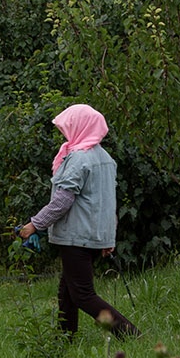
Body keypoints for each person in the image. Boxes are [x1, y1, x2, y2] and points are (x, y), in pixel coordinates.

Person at [17, 103, 138, 339]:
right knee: (67, 292)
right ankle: (65, 339)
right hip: (93, 236)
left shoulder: (79, 159)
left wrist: (35, 224)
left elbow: (62, 201)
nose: (64, 133)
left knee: (83, 295)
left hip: (76, 237)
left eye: (67, 127)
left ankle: (131, 334)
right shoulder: (106, 159)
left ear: (80, 127)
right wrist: (108, 237)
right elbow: (107, 202)